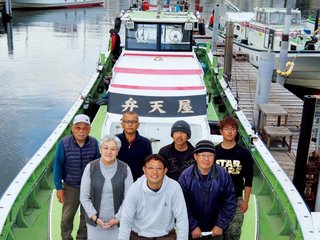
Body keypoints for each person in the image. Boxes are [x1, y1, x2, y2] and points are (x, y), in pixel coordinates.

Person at [118, 154, 189, 240]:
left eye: (159, 168)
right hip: (139, 236)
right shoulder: (135, 189)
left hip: (166, 236)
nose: (155, 172)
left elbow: (182, 218)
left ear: (165, 170)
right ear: (144, 170)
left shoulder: (174, 187)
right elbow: (126, 221)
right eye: (151, 168)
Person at [53, 114, 101, 240]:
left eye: (85, 128)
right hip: (71, 187)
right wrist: (59, 187)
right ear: (72, 128)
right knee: (66, 218)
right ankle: (66, 238)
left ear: (89, 129)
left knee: (86, 217)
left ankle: (82, 238)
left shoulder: (94, 143)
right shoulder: (63, 144)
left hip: (89, 188)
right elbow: (57, 166)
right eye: (78, 128)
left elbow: (97, 166)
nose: (81, 131)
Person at [178, 140, 236, 240]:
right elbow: (181, 205)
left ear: (214, 157)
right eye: (203, 155)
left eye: (210, 155)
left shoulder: (223, 174)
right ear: (196, 157)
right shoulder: (185, 176)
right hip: (192, 231)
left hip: (216, 230)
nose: (206, 159)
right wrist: (193, 226)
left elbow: (230, 201)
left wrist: (220, 225)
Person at [80, 135, 133, 240]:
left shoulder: (125, 169)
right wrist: (95, 218)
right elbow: (84, 197)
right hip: (95, 224)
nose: (109, 152)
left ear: (117, 152)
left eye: (113, 149)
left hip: (119, 224)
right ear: (100, 150)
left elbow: (129, 199)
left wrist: (118, 218)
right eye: (106, 148)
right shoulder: (91, 167)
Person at [215, 116, 254, 240]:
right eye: (226, 129)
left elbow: (248, 179)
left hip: (236, 199)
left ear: (236, 131)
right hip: (216, 199)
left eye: (233, 129)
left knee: (233, 233)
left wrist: (246, 201)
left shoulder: (244, 153)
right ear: (221, 131)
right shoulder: (214, 152)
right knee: (216, 233)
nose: (229, 132)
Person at [117, 111, 152, 181]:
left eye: (133, 122)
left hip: (138, 182)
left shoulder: (145, 143)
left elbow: (148, 164)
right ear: (122, 124)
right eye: (127, 121)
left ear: (138, 125)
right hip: (117, 181)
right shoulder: (114, 140)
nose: (130, 124)